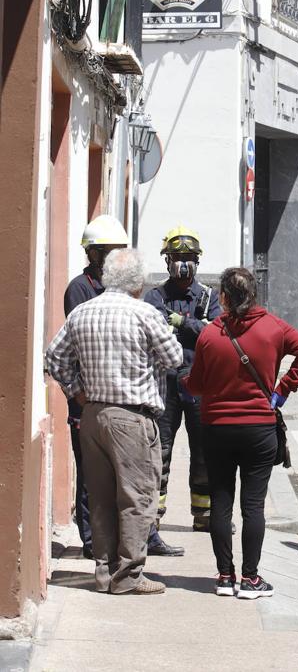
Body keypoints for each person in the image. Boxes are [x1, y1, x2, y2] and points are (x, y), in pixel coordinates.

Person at [45, 249, 183, 595]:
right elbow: (174, 357)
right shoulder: (145, 313)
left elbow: (54, 357)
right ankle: (128, 576)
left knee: (101, 496)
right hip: (132, 417)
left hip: (92, 414)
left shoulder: (82, 312)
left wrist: (77, 391)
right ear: (137, 282)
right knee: (137, 498)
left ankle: (105, 572)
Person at [184, 267, 298, 598]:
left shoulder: (210, 334)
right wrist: (283, 388)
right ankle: (251, 579)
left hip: (216, 429)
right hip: (259, 429)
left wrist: (183, 381)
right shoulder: (273, 327)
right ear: (254, 294)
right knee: (253, 506)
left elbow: (197, 385)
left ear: (224, 298)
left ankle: (225, 577)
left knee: (221, 502)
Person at [144, 226, 222, 532]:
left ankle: (203, 515)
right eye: (177, 257)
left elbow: (215, 333)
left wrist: (184, 323)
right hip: (164, 385)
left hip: (199, 385)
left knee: (203, 451)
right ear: (167, 261)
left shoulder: (208, 297)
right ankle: (153, 517)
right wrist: (195, 326)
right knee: (159, 450)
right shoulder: (154, 296)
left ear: (198, 261)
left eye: (188, 257)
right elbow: (152, 332)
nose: (183, 263)